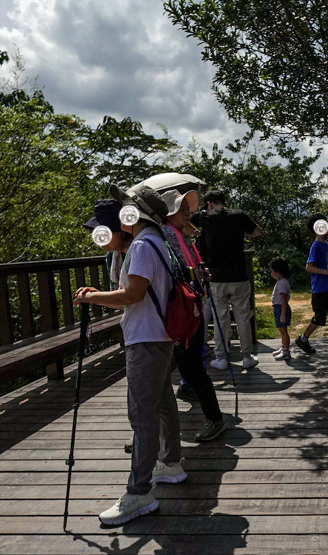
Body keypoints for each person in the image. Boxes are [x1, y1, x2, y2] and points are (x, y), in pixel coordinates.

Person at [75, 184, 186, 526]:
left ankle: (139, 493)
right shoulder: (157, 241)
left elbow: (133, 295)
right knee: (162, 401)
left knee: (142, 415)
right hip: (161, 334)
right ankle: (171, 462)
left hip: (146, 337)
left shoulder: (140, 245)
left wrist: (92, 298)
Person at [160, 189, 226, 443]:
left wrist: (198, 274)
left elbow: (177, 270)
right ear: (170, 213)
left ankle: (213, 417)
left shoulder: (170, 235)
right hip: (190, 305)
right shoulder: (178, 236)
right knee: (183, 365)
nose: (188, 213)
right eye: (182, 209)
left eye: (187, 209)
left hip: (183, 309)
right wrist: (199, 274)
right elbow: (188, 268)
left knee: (186, 366)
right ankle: (151, 430)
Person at [190, 190, 262, 371]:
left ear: (208, 204)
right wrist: (239, 235)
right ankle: (247, 357)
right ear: (224, 202)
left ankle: (221, 358)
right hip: (239, 276)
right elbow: (257, 232)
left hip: (216, 278)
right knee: (243, 318)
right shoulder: (238, 215)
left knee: (220, 318)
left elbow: (185, 226)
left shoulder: (203, 217)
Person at [295, 214, 328, 358]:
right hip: (320, 288)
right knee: (319, 318)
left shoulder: (326, 245)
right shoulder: (316, 246)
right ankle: (303, 338)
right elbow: (309, 267)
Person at [82, 198, 132, 289]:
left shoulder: (138, 252)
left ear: (122, 230)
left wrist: (95, 297)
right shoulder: (112, 256)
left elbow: (133, 295)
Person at [270, 258, 292, 360]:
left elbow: (283, 300)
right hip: (278, 308)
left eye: (272, 271)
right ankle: (284, 347)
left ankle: (286, 351)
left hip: (280, 308)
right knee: (282, 330)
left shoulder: (282, 283)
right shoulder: (281, 281)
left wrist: (282, 314)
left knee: (283, 331)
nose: (271, 273)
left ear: (278, 271)